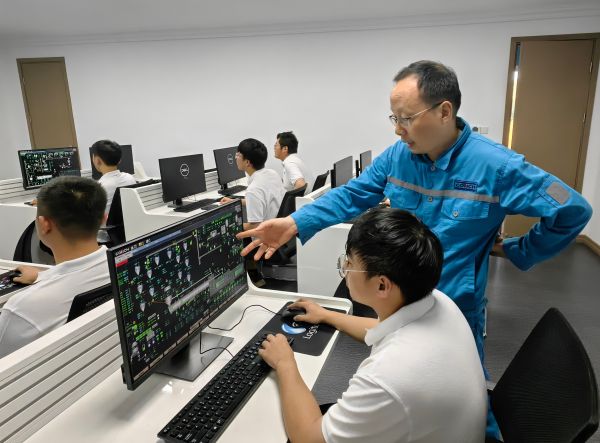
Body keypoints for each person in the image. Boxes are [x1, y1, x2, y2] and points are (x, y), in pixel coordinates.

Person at [239, 60, 593, 437]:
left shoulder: (497, 166)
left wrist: (518, 250)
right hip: (399, 303)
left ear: (445, 111)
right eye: (394, 118)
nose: (398, 129)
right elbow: (353, 194)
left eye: (406, 118)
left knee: (462, 399)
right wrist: (293, 223)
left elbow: (572, 211)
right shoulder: (398, 157)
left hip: (453, 304)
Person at [259, 208, 487, 442]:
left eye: (349, 263)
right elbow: (382, 329)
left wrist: (285, 363)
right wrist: (327, 315)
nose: (345, 269)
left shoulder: (387, 376)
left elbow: (308, 438)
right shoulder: (438, 301)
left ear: (382, 286)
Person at [0, 176, 110, 358]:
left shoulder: (21, 309)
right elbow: (79, 277)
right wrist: (43, 276)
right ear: (103, 219)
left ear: (44, 225)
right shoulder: (121, 264)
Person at [220, 138, 285, 230]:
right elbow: (261, 201)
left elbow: (256, 226)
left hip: (265, 236)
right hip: (279, 229)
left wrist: (232, 227)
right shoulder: (273, 173)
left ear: (247, 162)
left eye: (238, 155)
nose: (235, 157)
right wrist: (235, 202)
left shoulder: (253, 189)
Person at [90, 139, 136, 214]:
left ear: (97, 160)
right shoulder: (130, 178)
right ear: (119, 160)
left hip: (105, 222)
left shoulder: (98, 188)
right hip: (127, 221)